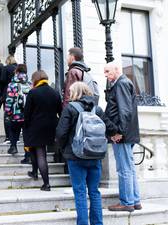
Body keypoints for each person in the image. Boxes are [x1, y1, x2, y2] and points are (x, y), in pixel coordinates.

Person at [56, 82, 105, 225]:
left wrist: (64, 148)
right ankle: (97, 223)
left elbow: (60, 133)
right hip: (95, 155)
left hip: (76, 155)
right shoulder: (98, 109)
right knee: (94, 192)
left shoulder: (70, 108)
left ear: (75, 93)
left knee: (80, 192)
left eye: (70, 92)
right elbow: (107, 128)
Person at [104, 62, 141, 212]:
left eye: (107, 71)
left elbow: (124, 111)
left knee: (124, 168)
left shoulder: (121, 84)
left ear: (117, 70)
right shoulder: (123, 83)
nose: (105, 75)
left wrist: (119, 132)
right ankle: (135, 200)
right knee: (129, 168)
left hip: (122, 135)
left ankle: (127, 202)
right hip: (127, 134)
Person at [24, 70, 62, 191]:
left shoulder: (33, 92)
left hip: (35, 126)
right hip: (50, 127)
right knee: (37, 150)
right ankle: (34, 172)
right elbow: (60, 112)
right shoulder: (55, 93)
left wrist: (25, 126)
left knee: (40, 154)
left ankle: (46, 184)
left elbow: (27, 113)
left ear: (35, 79)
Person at [4, 64, 31, 158]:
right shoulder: (30, 84)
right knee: (26, 134)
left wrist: (7, 112)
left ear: (17, 72)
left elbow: (9, 99)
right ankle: (27, 154)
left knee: (13, 130)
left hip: (16, 113)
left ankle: (13, 146)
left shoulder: (12, 84)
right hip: (27, 114)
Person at [1, 56, 18, 143]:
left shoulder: (6, 68)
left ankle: (8, 137)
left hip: (7, 93)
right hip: (18, 94)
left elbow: (3, 80)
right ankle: (16, 137)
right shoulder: (18, 68)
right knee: (16, 115)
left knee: (7, 115)